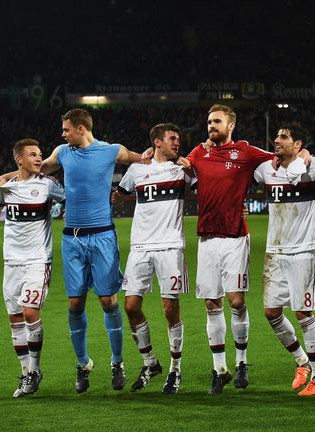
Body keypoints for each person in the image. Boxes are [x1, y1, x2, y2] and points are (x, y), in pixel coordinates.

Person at [0, 108, 151, 393]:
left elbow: (142, 159)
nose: (62, 134)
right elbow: (35, 170)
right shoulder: (62, 152)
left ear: (80, 128)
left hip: (102, 235)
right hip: (72, 239)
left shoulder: (112, 150)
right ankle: (83, 364)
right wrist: (6, 177)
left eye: (66, 129)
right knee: (75, 304)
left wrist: (159, 157)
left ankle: (117, 362)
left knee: (108, 301)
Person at [186, 104, 277, 394]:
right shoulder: (199, 153)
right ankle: (219, 369)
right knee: (212, 304)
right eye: (209, 121)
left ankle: (241, 362)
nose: (211, 126)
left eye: (216, 122)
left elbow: (280, 158)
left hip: (235, 237)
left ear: (231, 126)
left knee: (236, 301)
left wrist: (301, 154)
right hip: (206, 238)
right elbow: (182, 165)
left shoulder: (245, 152)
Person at [0, 139, 65, 398]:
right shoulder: (7, 188)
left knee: (29, 311)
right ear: (19, 160)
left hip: (38, 260)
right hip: (11, 261)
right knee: (14, 317)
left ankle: (35, 370)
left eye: (40, 154)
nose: (39, 158)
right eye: (33, 155)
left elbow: (72, 198)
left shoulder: (48, 185)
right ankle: (25, 374)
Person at [253, 124, 315, 396]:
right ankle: (302, 361)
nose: (277, 140)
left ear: (298, 143)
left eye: (284, 137)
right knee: (271, 313)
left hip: (303, 251)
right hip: (274, 252)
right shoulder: (266, 168)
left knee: (303, 314)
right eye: (276, 136)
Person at [113, 123, 194, 395]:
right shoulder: (137, 170)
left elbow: (211, 184)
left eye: (178, 138)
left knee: (170, 310)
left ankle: (175, 368)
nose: (177, 142)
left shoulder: (183, 170)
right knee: (131, 306)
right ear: (156, 142)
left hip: (170, 247)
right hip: (140, 247)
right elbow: (120, 195)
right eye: (172, 138)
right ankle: (150, 363)